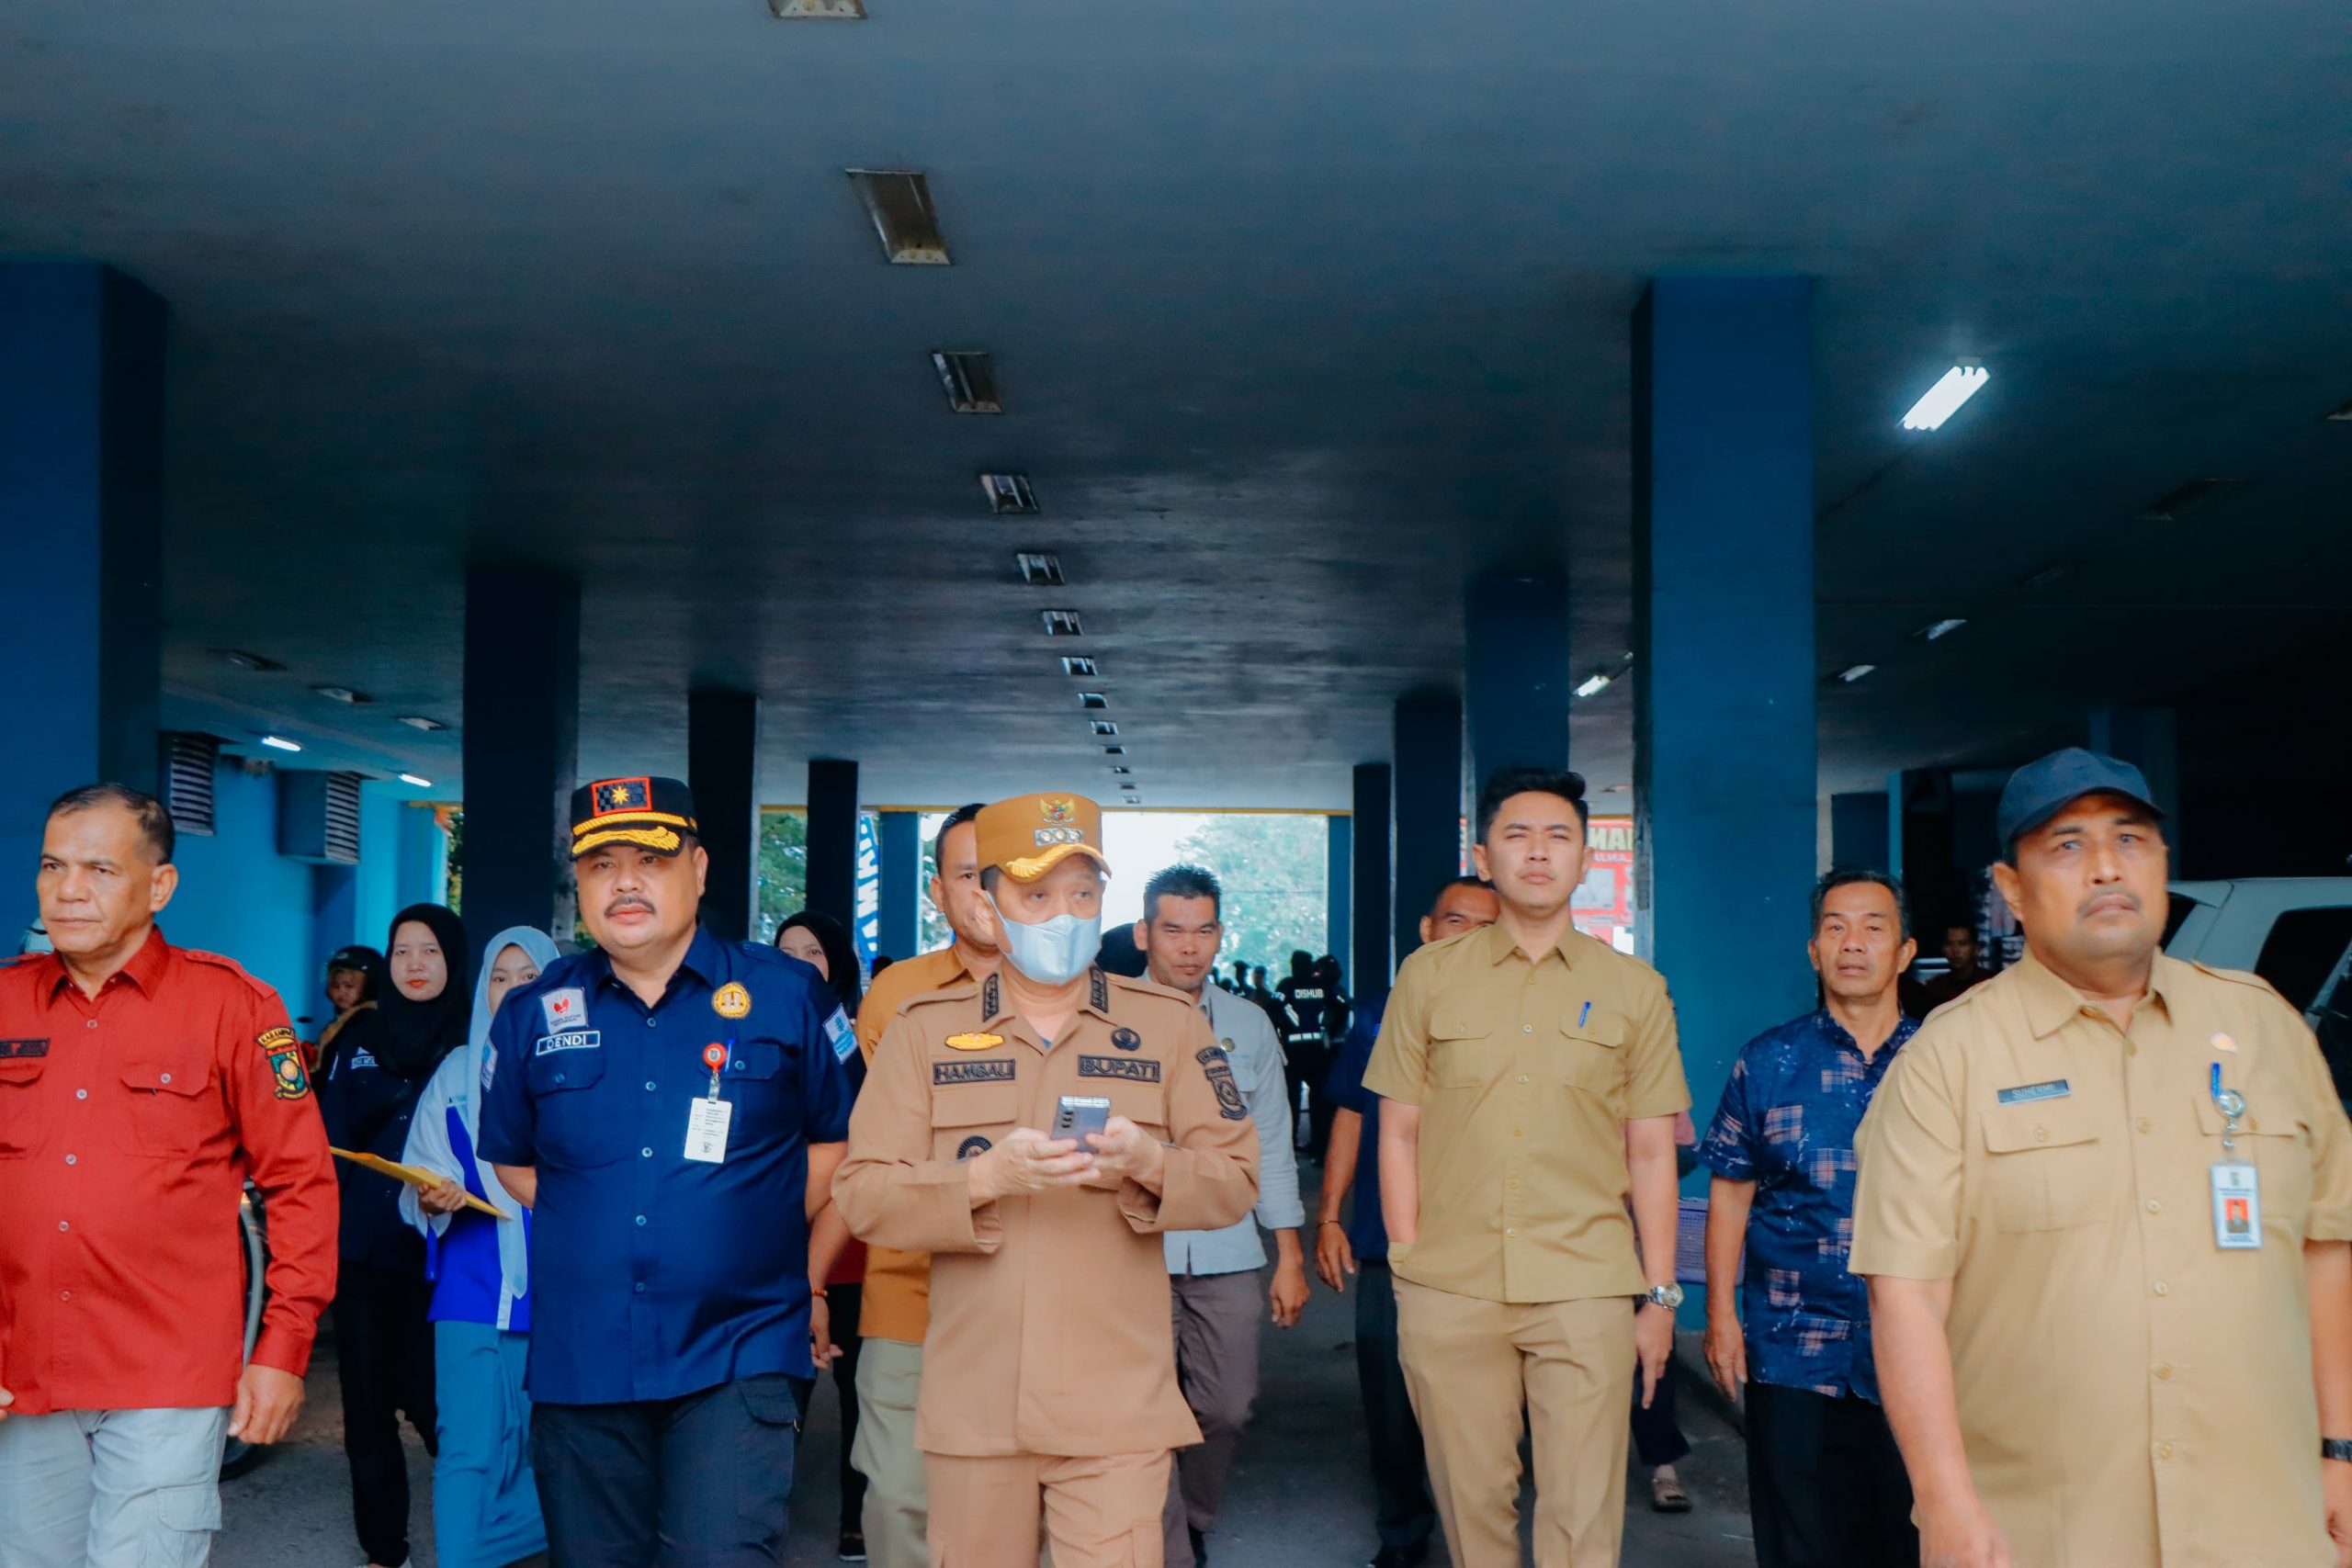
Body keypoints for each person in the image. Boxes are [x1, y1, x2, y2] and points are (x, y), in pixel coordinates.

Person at [1853, 748, 2352, 1567]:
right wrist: (1944, 1501)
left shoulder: (2265, 1030)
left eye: (2131, 838)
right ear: (2011, 891)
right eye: (2067, 845)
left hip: (2261, 1520)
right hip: (2047, 1532)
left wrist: (2340, 1451)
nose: (2107, 866)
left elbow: (2325, 1246)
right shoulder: (1949, 1061)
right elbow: (1904, 1299)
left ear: (2161, 865)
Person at [834, 791, 1259, 1568]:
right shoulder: (925, 1031)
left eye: (1082, 893)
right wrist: (980, 1178)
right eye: (1036, 894)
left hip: (1116, 1405)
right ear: (991, 907)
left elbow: (1236, 1177)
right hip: (976, 1402)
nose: (1062, 914)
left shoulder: (1168, 1025)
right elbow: (863, 1192)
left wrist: (1150, 1164)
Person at [479, 776, 854, 1568]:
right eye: (600, 864)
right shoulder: (533, 1014)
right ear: (579, 885)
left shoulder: (787, 995)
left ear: (701, 867)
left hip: (737, 1346)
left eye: (650, 858)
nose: (624, 881)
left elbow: (836, 1145)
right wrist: (605, 1212)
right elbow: (511, 1160)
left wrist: (744, 1223)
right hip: (584, 1359)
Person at [0, 783, 338, 1568]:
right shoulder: (7, 1002)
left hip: (166, 1373)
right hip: (26, 1374)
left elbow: (302, 1185)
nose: (68, 888)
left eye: (99, 868)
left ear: (159, 886)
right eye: (52, 865)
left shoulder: (233, 1006)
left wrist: (282, 1349)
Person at [1364, 767, 1690, 1568]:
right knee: (1473, 1513)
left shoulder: (1636, 990)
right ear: (1484, 853)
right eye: (1517, 835)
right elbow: (1396, 1132)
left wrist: (1659, 1296)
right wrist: (1409, 1265)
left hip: (1586, 1285)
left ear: (1585, 859)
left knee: (1584, 1519)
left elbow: (1651, 1152)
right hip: (1451, 1284)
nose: (1538, 853)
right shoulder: (1427, 976)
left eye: (1559, 837)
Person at [1697, 870, 1922, 1567]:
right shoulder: (1767, 1062)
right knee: (1798, 1543)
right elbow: (1730, 1191)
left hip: (1915, 1345)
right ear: (1814, 950)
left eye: (1873, 926)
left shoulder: (1943, 1059)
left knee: (1907, 1535)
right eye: (1835, 927)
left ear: (1905, 951)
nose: (1853, 943)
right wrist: (1722, 1317)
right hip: (1792, 1345)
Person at [1317, 873, 1499, 1568]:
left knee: (1480, 1406)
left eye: (1489, 927)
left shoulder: (1525, 1020)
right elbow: (1352, 1114)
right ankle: (1403, 1528)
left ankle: (1477, 1534)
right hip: (1386, 1245)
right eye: (1458, 922)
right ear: (1427, 930)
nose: (1472, 939)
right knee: (1391, 1401)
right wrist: (1329, 1214)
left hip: (1487, 1247)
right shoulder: (1382, 1013)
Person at [1134, 864, 1308, 1567]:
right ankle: (1165, 1542)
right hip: (1132, 1243)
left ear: (1219, 934)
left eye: (1203, 929)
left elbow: (1270, 1138)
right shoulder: (1107, 1016)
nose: (1188, 946)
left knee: (1226, 1403)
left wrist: (1289, 1251)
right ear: (1144, 933)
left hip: (1226, 1243)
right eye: (1172, 929)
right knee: (1138, 1406)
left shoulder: (1248, 1023)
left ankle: (1194, 1515)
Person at [844, 804, 995, 1568]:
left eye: (1007, 875)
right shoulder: (897, 995)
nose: (989, 892)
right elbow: (878, 1150)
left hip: (1037, 1291)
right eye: (970, 875)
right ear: (939, 892)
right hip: (912, 1290)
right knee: (902, 1496)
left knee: (1022, 1512)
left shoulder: (1087, 997)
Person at [399, 927, 560, 1568]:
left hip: (562, 1294)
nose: (513, 988)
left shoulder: (582, 1071)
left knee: (552, 1448)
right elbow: (420, 1169)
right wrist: (431, 1196)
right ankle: (465, 1557)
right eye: (500, 976)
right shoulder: (454, 1074)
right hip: (470, 1288)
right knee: (464, 1446)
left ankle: (523, 1537)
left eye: (529, 976)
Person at [321, 903, 470, 1568]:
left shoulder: (479, 1036)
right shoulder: (359, 1038)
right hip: (364, 1250)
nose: (414, 964)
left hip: (455, 1255)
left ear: (453, 960)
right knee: (368, 1408)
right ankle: (385, 1549)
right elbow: (325, 1140)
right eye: (403, 950)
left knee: (447, 1407)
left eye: (430, 951)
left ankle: (490, 1531)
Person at [777, 908, 872, 1562]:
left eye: (812, 952)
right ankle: (750, 1515)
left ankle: (857, 1514)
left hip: (860, 1246)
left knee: (863, 1395)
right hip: (779, 1241)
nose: (799, 963)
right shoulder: (752, 1030)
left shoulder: (865, 1040)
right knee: (782, 1390)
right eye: (785, 951)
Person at [318, 943, 380, 1066]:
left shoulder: (366, 1023)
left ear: (371, 985)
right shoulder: (338, 1024)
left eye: (349, 986)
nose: (341, 992)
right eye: (335, 985)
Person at [1916, 919, 1990, 1012]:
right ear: (1942, 948)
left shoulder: (1990, 983)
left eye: (1963, 944)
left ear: (1975, 949)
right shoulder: (1935, 988)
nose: (1955, 950)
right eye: (1949, 944)